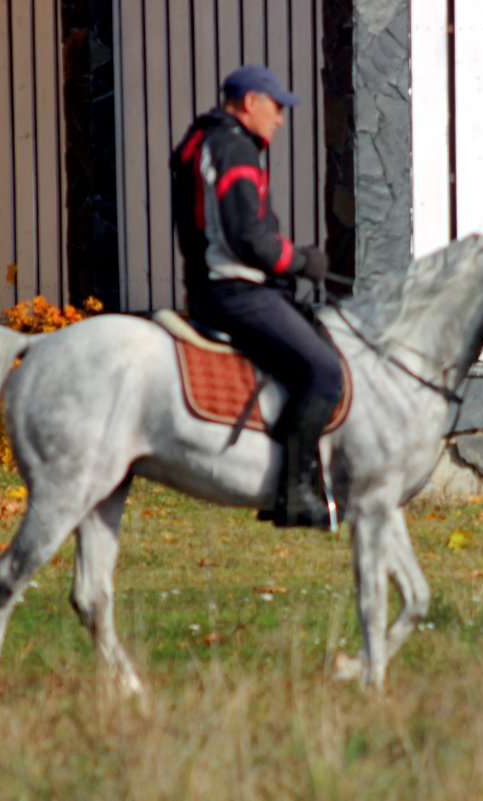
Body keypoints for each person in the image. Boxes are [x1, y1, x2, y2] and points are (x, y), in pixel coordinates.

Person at [170, 64, 342, 530]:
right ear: (250, 104)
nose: (281, 119)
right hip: (235, 290)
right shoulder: (233, 149)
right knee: (325, 373)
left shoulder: (204, 141)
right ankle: (293, 495)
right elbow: (249, 239)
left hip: (218, 286)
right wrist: (301, 261)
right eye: (276, 107)